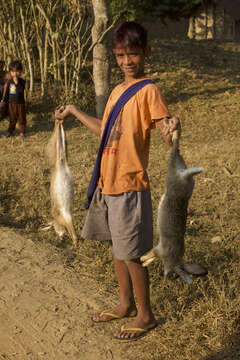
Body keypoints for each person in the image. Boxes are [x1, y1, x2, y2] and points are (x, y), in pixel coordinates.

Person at [55, 21, 180, 342]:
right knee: (116, 249)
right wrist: (73, 111)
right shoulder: (116, 91)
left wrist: (172, 126)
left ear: (146, 53)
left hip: (129, 186)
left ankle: (146, 315)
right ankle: (125, 304)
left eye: (134, 54)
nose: (127, 61)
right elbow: (105, 130)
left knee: (131, 255)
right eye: (122, 55)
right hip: (106, 184)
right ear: (114, 55)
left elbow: (165, 124)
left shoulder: (148, 90)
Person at [2, 60, 26, 139]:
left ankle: (22, 132)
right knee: (12, 118)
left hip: (20, 103)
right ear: (10, 72)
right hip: (11, 103)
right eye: (12, 71)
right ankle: (10, 131)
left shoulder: (22, 81)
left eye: (17, 71)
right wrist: (4, 101)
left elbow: (21, 91)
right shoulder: (9, 82)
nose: (15, 73)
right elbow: (7, 93)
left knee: (21, 118)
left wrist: (17, 83)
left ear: (20, 72)